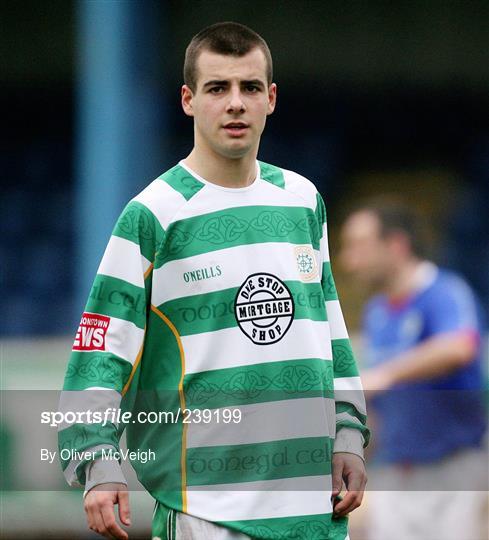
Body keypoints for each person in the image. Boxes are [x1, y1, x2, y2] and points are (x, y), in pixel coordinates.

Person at [58, 22, 369, 540]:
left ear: (270, 99)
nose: (235, 104)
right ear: (188, 99)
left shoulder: (302, 200)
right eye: (217, 88)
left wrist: (348, 435)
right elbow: (99, 354)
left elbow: (329, 329)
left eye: (249, 88)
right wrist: (97, 463)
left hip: (312, 509)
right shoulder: (153, 215)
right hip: (208, 509)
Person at [340, 199, 488, 540]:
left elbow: (460, 346)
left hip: (452, 471)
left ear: (395, 245)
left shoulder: (444, 292)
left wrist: (384, 376)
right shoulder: (377, 312)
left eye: (359, 246)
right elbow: (379, 405)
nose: (349, 261)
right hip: (395, 473)